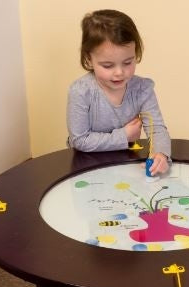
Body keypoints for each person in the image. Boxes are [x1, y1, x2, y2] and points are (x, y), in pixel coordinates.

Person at [67, 9, 171, 176]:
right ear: (88, 59)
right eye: (108, 66)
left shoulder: (142, 88)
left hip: (127, 163)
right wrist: (124, 136)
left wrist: (161, 154)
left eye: (128, 62)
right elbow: (79, 140)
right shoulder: (80, 92)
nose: (119, 72)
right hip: (87, 167)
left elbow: (156, 128)